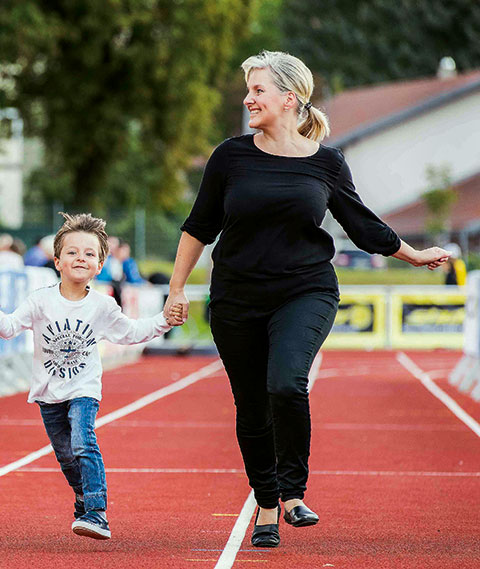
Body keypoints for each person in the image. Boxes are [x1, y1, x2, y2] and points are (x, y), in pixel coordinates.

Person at [162, 50, 450, 549]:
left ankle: (293, 492)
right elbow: (199, 227)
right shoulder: (229, 157)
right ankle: (267, 503)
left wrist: (414, 254)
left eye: (258, 90)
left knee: (287, 383)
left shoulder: (326, 163)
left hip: (306, 289)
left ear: (289, 98)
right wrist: (176, 288)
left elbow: (362, 224)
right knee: (251, 407)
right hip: (236, 298)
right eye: (248, 90)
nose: (249, 99)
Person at [0, 212, 182, 540]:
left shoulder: (102, 306)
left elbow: (132, 332)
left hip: (84, 388)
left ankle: (97, 512)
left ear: (100, 265)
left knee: (83, 441)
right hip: (47, 393)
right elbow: (9, 328)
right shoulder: (40, 301)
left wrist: (166, 320)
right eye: (72, 252)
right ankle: (83, 496)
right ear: (57, 261)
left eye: (89, 254)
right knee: (66, 456)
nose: (80, 258)